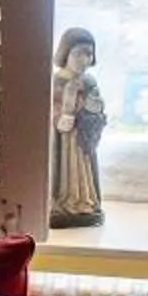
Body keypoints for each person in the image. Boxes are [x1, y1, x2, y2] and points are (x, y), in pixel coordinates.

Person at [49, 27, 106, 228]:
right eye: (78, 53)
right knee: (65, 171)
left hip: (83, 137)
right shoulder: (57, 80)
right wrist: (63, 114)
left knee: (83, 170)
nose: (84, 60)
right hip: (64, 141)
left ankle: (84, 201)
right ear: (66, 53)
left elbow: (97, 108)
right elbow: (52, 109)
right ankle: (64, 201)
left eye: (89, 54)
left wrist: (93, 108)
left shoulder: (89, 81)